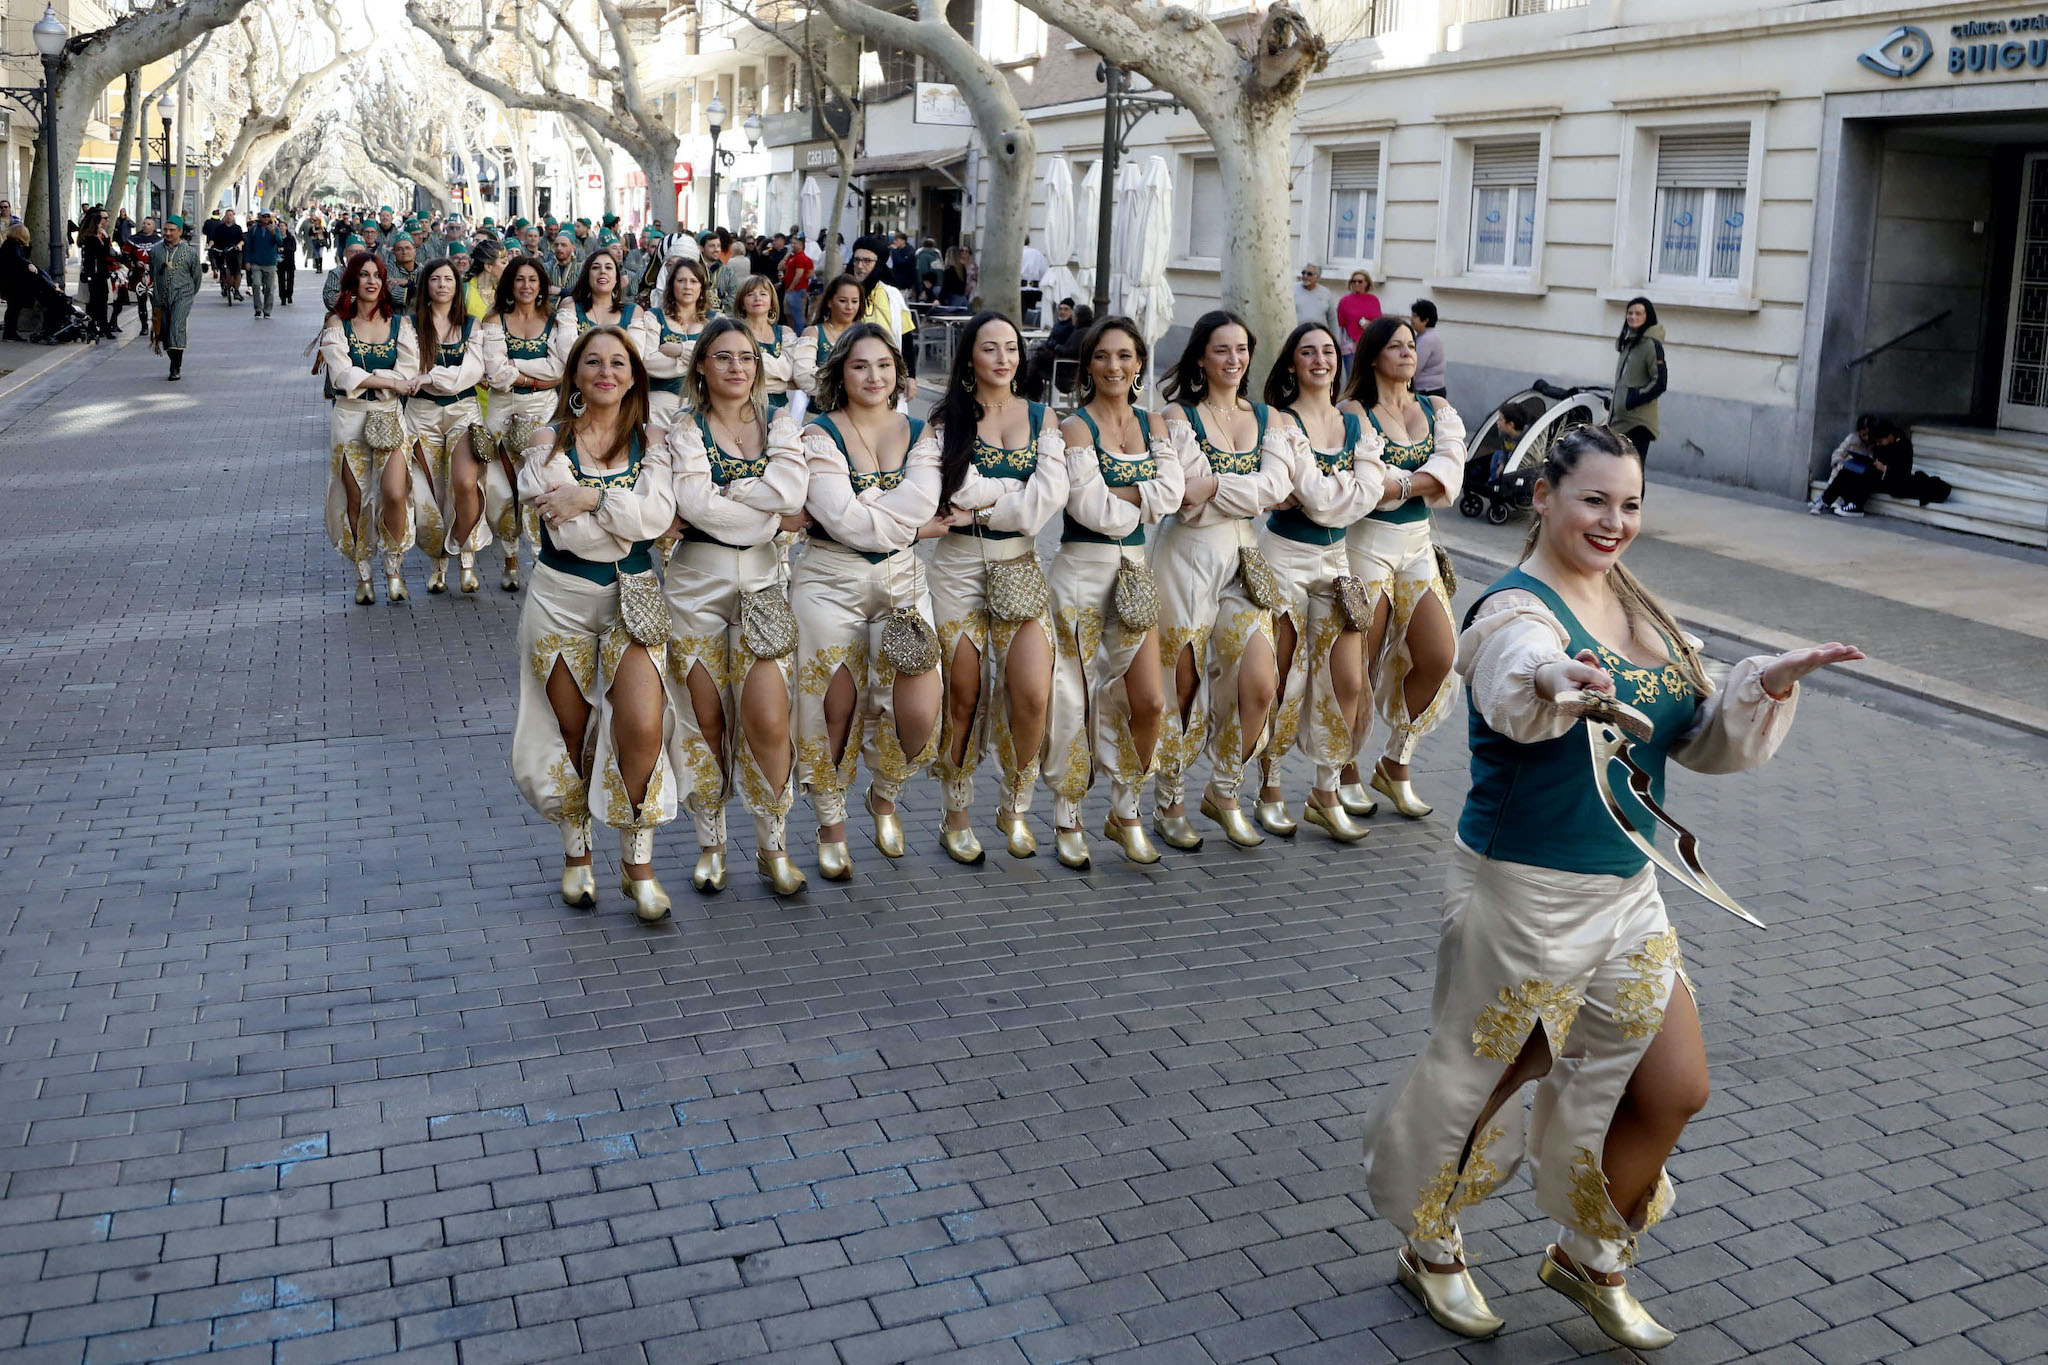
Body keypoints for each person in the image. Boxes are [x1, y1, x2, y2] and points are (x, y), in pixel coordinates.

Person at [1361, 423, 1861, 1350]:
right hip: (1523, 893)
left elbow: (1696, 737)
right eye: (1594, 499)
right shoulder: (1515, 608)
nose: (1614, 521)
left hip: (1628, 891)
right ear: (1543, 496)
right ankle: (1430, 1243)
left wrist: (1766, 686)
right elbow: (1515, 671)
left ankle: (1592, 1252)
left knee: (1677, 1085)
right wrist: (1557, 677)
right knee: (1481, 1086)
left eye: (1630, 504)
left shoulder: (1639, 602)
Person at [511, 326, 681, 923]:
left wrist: (586, 498)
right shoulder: (546, 439)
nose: (605, 371)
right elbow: (563, 530)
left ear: (634, 374)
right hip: (559, 597)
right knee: (573, 731)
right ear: (576, 374)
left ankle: (639, 866)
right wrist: (613, 512)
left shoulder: (654, 441)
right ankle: (576, 854)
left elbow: (657, 518)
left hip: (634, 597)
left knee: (640, 725)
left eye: (617, 362)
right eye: (592, 362)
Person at [660, 317, 812, 897]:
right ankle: (711, 843)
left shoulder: (780, 425)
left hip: (764, 586)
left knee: (770, 720)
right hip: (695, 586)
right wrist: (765, 509)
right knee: (705, 719)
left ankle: (773, 843)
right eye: (722, 356)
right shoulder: (683, 428)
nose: (736, 367)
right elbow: (696, 505)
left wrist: (737, 498)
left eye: (746, 357)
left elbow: (794, 494)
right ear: (701, 365)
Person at [790, 322, 943, 883]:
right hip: (828, 582)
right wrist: (910, 523)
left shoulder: (924, 432)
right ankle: (831, 823)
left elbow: (923, 497)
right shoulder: (818, 433)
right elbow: (843, 521)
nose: (873, 376)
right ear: (840, 374)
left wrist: (880, 511)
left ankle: (885, 794)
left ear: (898, 374)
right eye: (860, 366)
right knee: (835, 709)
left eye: (883, 365)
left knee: (919, 711)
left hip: (903, 583)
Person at [917, 312, 1069, 867]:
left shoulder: (1042, 415)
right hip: (956, 568)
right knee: (964, 695)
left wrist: (990, 501)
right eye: (990, 348)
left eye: (1011, 348)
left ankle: (1015, 805)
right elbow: (952, 487)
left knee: (1032, 692)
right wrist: (1016, 491)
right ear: (970, 358)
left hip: (1021, 564)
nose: (1003, 358)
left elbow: (1047, 499)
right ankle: (954, 812)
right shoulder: (945, 418)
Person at [1041, 316, 1184, 866]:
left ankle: (1125, 806)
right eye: (1102, 356)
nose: (1113, 367)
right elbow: (1087, 509)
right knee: (1072, 701)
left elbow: (1172, 495)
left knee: (1148, 700)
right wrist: (1140, 495)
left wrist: (1124, 491)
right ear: (1087, 364)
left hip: (1136, 577)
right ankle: (1067, 813)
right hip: (1079, 572)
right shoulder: (1074, 427)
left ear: (1140, 362)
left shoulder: (1155, 423)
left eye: (1124, 356)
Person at [1154, 311, 1293, 851]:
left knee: (1259, 680)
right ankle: (1170, 798)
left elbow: (1279, 485)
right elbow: (1186, 499)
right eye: (1221, 350)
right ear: (1200, 358)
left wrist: (1218, 485)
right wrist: (1248, 488)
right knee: (1182, 686)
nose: (1234, 360)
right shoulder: (1176, 416)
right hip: (1185, 559)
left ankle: (1225, 788)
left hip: (1244, 559)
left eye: (1241, 350)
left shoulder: (1269, 418)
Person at [1253, 321, 1388, 843]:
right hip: (1285, 554)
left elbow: (1362, 492)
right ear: (1292, 364)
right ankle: (1270, 786)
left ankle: (1326, 791)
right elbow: (1321, 494)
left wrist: (1332, 493)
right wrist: (1344, 488)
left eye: (1328, 351)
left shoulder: (1355, 422)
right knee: (1285, 679)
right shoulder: (1281, 423)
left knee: (1348, 680)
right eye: (1307, 352)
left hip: (1336, 559)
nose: (1319, 360)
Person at [1337, 315, 1467, 819]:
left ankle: (1395, 761)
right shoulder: (1353, 413)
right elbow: (1369, 489)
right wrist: (1422, 481)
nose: (1407, 353)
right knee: (1358, 667)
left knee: (1440, 654)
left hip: (1417, 544)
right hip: (1366, 544)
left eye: (1410, 345)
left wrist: (1405, 483)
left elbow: (1451, 474)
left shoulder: (1437, 408)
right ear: (1372, 356)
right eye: (1395, 346)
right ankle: (1342, 769)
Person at [318, 252, 421, 603]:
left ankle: (394, 567)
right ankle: (364, 573)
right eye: (364, 275)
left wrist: (380, 381)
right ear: (353, 281)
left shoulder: (400, 324)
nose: (372, 281)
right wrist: (386, 379)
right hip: (349, 418)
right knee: (356, 498)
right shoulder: (336, 324)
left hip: (390, 417)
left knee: (394, 492)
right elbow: (342, 375)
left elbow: (410, 371)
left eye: (377, 275)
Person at [476, 253, 560, 592]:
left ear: (541, 285)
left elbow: (562, 369)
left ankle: (541, 561)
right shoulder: (494, 319)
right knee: (500, 488)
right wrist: (541, 374)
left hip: (545, 410)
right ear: (510, 284)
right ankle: (510, 559)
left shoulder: (555, 321)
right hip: (501, 410)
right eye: (520, 279)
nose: (526, 286)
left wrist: (519, 372)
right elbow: (496, 375)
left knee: (540, 485)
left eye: (533, 280)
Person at [403, 258, 486, 595]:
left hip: (464, 411)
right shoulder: (409, 325)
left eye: (448, 279)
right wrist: (427, 379)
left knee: (466, 485)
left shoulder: (472, 325)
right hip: (421, 414)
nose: (442, 284)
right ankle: (438, 564)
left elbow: (472, 372)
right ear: (426, 285)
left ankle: (467, 561)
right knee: (431, 492)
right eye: (435, 278)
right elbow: (410, 371)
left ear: (457, 285)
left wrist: (432, 376)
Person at [635, 252, 713, 427]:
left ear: (701, 287)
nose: (687, 286)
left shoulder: (714, 321)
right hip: (659, 405)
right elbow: (648, 362)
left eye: (693, 281)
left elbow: (716, 361)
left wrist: (680, 351)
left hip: (702, 405)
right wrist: (699, 362)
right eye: (681, 281)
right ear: (671, 285)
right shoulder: (654, 317)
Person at [1811, 414, 1902, 518]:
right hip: (1860, 472)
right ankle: (1825, 500)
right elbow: (1838, 454)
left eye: (1879, 440)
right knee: (1847, 470)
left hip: (1875, 476)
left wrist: (1882, 467)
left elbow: (1896, 470)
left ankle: (1855, 505)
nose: (1868, 438)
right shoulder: (1856, 440)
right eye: (1864, 435)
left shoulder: (1894, 447)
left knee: (1861, 472)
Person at [731, 275, 797, 413]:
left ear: (771, 300)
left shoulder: (785, 331)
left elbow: (792, 372)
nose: (757, 298)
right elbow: (743, 372)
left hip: (781, 409)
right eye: (750, 294)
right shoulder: (735, 332)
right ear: (742, 302)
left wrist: (760, 373)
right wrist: (782, 382)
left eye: (763, 293)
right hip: (744, 408)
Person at [1611, 297, 1666, 460]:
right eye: (1630, 313)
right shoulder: (1630, 343)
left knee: (1634, 474)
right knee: (1620, 473)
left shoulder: (1651, 345)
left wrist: (1632, 399)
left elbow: (1659, 383)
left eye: (1638, 313)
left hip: (1639, 423)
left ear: (1647, 316)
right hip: (1621, 420)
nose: (1633, 317)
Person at [794, 272, 862, 400]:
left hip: (858, 415)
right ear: (829, 302)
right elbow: (803, 376)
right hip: (819, 414)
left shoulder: (865, 334)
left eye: (854, 301)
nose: (849, 307)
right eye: (843, 301)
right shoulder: (814, 333)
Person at [150, 217, 203, 380]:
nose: (167, 233)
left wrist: (188, 294)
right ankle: (173, 359)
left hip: (183, 295)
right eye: (165, 230)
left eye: (172, 230)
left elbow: (197, 277)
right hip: (161, 297)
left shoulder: (190, 252)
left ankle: (175, 367)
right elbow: (153, 274)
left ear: (180, 231)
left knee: (176, 326)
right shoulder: (155, 250)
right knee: (165, 331)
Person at [77, 208, 115, 337]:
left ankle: (99, 325)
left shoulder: (96, 238)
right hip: (94, 274)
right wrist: (105, 238)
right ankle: (96, 326)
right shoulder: (91, 239)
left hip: (100, 273)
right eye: (102, 220)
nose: (104, 223)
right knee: (95, 301)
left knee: (101, 301)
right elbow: (102, 253)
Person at [1337, 270, 1381, 377]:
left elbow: (1379, 323)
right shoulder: (1344, 301)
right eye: (1354, 281)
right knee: (1352, 377)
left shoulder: (1373, 300)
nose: (1356, 284)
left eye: (1360, 281)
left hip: (1369, 344)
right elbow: (1340, 324)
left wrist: (1370, 325)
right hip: (1350, 346)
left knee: (1368, 378)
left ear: (1367, 283)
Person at [245, 209, 282, 319]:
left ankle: (267, 310)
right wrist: (247, 261)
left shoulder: (275, 229)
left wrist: (274, 233)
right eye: (264, 216)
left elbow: (280, 243)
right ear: (260, 216)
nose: (266, 219)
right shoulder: (254, 229)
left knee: (269, 288)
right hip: (256, 262)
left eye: (268, 216)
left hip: (270, 262)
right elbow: (249, 246)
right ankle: (257, 308)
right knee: (256, 284)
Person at [1409, 298, 1446, 400]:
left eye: (1415, 316)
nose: (1411, 319)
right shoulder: (1427, 336)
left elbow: (1415, 366)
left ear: (1425, 320)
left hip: (1428, 391)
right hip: (1432, 389)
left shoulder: (1427, 339)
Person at [1292, 264, 1339, 334]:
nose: (1305, 276)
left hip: (1319, 336)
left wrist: (1336, 341)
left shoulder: (1326, 293)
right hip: (1297, 335)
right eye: (1303, 273)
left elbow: (1332, 319)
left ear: (1317, 277)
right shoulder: (1292, 289)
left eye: (1309, 274)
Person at [778, 234, 814, 327]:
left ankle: (799, 334)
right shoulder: (792, 257)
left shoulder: (801, 258)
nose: (792, 245)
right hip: (790, 290)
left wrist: (792, 287)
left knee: (797, 315)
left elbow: (801, 274)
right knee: (788, 313)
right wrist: (787, 255)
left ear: (801, 245)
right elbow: (780, 267)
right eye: (791, 243)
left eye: (795, 243)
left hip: (797, 290)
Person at [215, 208, 246, 302]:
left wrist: (239, 245)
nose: (229, 217)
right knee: (224, 269)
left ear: (233, 217)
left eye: (230, 215)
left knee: (236, 272)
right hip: (223, 251)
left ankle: (236, 290)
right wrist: (210, 246)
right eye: (227, 215)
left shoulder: (237, 228)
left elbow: (242, 240)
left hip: (235, 251)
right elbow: (213, 239)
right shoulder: (220, 228)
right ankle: (225, 284)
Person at [545, 234, 578, 299]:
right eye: (556, 245)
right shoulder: (546, 267)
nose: (559, 248)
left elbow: (583, 293)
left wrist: (560, 291)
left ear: (573, 247)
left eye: (563, 245)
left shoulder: (580, 268)